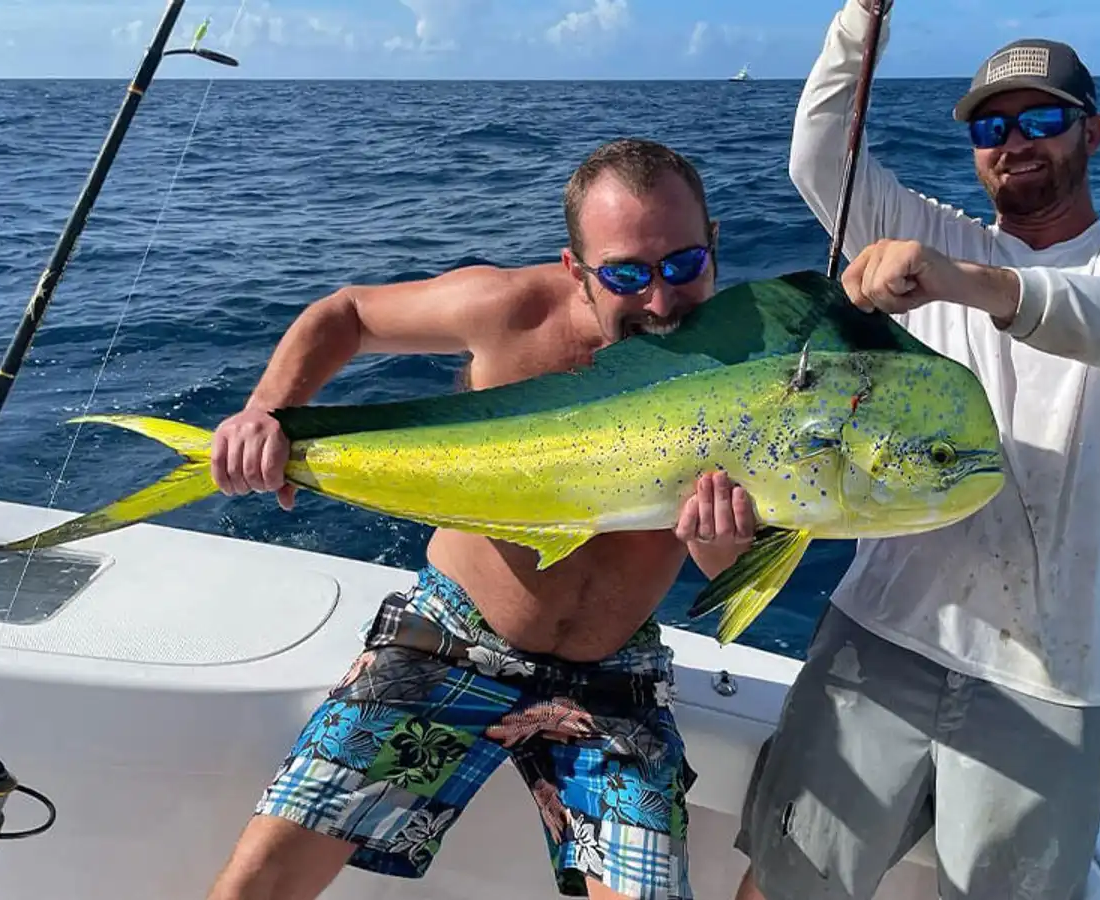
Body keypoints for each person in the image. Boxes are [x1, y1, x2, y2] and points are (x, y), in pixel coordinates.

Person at [203, 137, 756, 900]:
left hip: (614, 670)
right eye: (627, 275)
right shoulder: (508, 311)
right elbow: (347, 313)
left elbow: (734, 575)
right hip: (450, 639)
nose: (661, 302)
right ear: (575, 269)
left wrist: (723, 546)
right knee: (256, 885)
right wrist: (266, 410)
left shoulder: (752, 368)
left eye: (684, 265)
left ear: (714, 244)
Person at [734, 3, 1100, 900]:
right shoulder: (925, 236)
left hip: (1047, 676)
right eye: (991, 127)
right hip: (879, 634)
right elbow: (818, 158)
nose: (1015, 143)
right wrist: (860, 18)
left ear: (1092, 131)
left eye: (1041, 119)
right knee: (785, 884)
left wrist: (968, 283)